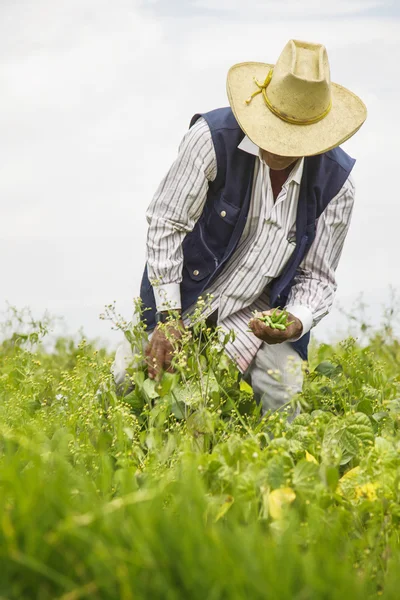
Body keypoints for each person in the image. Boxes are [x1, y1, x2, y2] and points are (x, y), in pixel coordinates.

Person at [112, 39, 367, 414]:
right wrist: (168, 317)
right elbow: (165, 223)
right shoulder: (211, 139)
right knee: (128, 379)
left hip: (260, 309)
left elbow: (317, 277)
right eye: (274, 128)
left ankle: (257, 462)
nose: (278, 145)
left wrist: (294, 322)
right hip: (184, 294)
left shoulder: (336, 185)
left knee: (285, 394)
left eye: (294, 138)